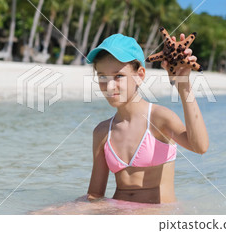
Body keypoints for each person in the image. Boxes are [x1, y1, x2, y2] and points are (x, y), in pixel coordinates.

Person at [85, 33, 209, 204]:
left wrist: (184, 86)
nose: (110, 86)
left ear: (140, 75)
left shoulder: (159, 119)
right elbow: (94, 196)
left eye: (118, 76)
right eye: (102, 77)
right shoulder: (102, 131)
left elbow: (200, 147)